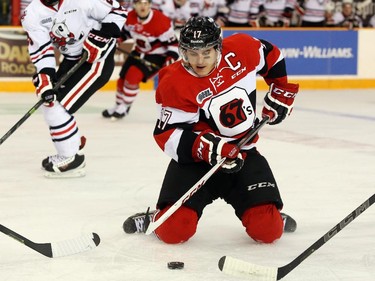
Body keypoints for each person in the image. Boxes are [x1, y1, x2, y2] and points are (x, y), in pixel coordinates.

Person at [123, 16, 299, 244]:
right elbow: (167, 136)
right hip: (197, 164)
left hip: (244, 154)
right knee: (175, 232)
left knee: (268, 230)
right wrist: (207, 147)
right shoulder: (174, 81)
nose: (199, 60)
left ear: (219, 47)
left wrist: (281, 89)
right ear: (182, 51)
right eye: (192, 53)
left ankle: (269, 214)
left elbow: (271, 55)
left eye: (207, 52)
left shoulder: (242, 49)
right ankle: (157, 218)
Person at [21, 0, 127, 177]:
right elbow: (42, 49)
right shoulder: (32, 13)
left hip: (98, 59)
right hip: (72, 59)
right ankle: (72, 144)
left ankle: (71, 157)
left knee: (58, 106)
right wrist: (45, 75)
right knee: (50, 100)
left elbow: (117, 11)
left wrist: (102, 35)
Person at [102, 0, 179, 120]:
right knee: (122, 79)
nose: (143, 6)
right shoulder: (130, 16)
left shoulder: (161, 21)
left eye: (146, 3)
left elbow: (174, 45)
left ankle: (125, 107)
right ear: (134, 5)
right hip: (138, 51)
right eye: (139, 3)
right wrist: (116, 41)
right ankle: (118, 106)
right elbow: (126, 33)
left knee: (133, 76)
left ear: (149, 5)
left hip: (157, 56)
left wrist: (169, 61)